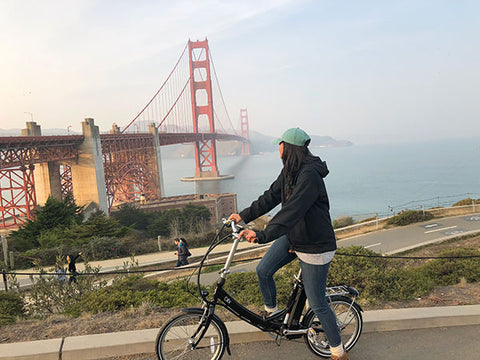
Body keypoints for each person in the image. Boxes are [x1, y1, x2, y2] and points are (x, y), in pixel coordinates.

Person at [229, 127, 349, 360]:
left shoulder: (309, 176)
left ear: (289, 148)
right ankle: (273, 315)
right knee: (263, 270)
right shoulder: (289, 171)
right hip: (296, 236)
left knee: (317, 303)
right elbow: (270, 197)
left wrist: (262, 235)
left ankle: (338, 351)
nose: (278, 148)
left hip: (315, 244)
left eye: (280, 144)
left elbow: (292, 211)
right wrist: (243, 216)